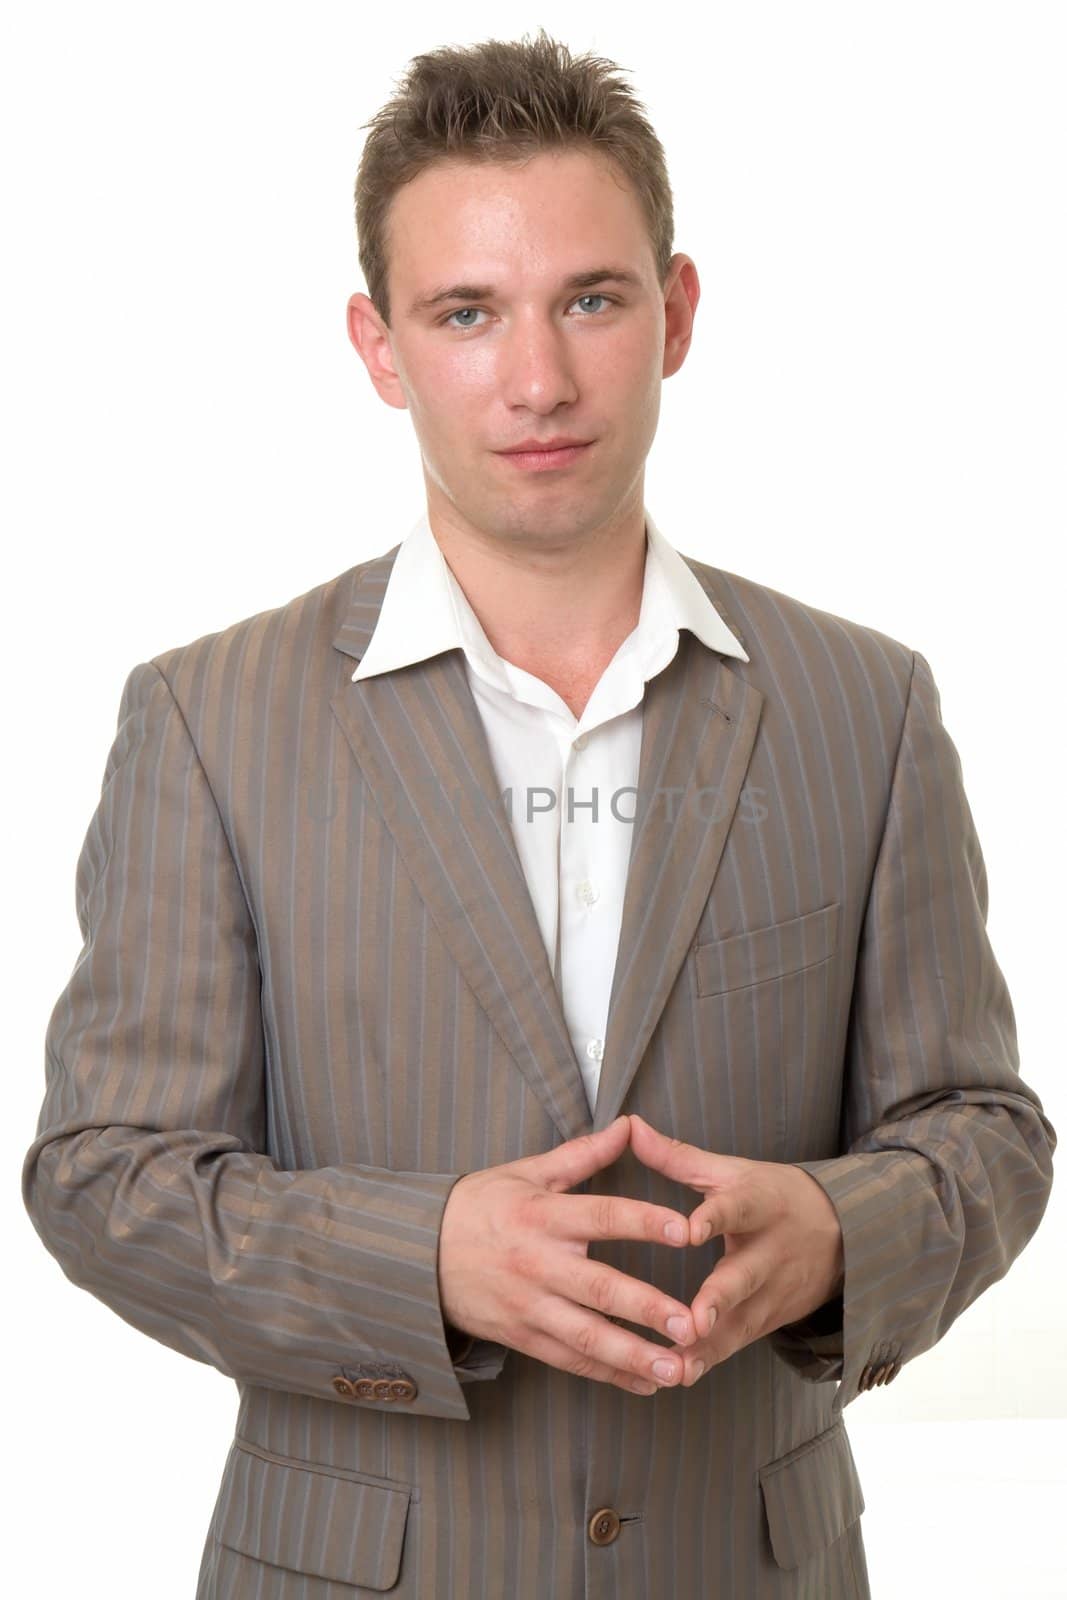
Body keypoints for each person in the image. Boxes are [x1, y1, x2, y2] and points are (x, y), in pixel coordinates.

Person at [22, 28, 1056, 1600]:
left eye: (591, 297)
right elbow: (105, 1174)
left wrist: (848, 1230)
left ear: (678, 312)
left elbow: (985, 1132)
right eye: (465, 313)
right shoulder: (205, 717)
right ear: (378, 348)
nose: (539, 378)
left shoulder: (869, 705)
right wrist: (422, 1257)